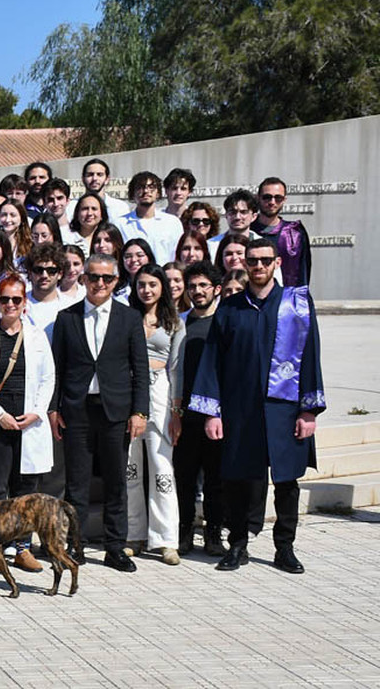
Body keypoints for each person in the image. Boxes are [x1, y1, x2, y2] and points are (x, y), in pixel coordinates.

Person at [191, 239, 324, 575]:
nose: (259, 266)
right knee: (237, 481)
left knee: (286, 482)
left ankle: (285, 548)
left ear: (277, 262)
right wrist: (211, 411)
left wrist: (309, 410)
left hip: (285, 410)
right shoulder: (231, 307)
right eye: (253, 260)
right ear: (245, 264)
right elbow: (212, 362)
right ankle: (237, 545)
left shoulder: (297, 305)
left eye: (265, 260)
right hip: (240, 411)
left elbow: (310, 357)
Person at [49, 254, 150, 572]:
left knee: (116, 483)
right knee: (76, 484)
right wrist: (53, 407)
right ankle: (75, 546)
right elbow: (57, 368)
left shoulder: (129, 318)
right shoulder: (66, 318)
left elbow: (141, 369)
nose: (100, 284)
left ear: (116, 281)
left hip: (116, 411)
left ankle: (115, 547)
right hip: (77, 411)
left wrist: (140, 411)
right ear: (84, 279)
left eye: (107, 278)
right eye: (94, 277)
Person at [0, 276, 56, 573]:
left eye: (16, 300)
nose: (10, 305)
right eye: (5, 299)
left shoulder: (37, 336)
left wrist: (37, 412)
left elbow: (47, 378)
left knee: (25, 490)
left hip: (27, 419)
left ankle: (22, 548)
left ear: (25, 304)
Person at [125, 264, 184, 564]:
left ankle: (165, 538)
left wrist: (176, 410)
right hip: (131, 390)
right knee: (130, 466)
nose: (146, 290)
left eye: (152, 284)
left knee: (162, 466)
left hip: (161, 390)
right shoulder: (127, 317)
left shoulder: (174, 321)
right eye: (141, 285)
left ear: (162, 286)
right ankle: (133, 533)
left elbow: (176, 367)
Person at [176, 262, 228, 556]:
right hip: (186, 416)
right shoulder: (181, 323)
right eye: (193, 286)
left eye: (203, 286)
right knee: (184, 477)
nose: (197, 291)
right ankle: (184, 533)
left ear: (216, 289)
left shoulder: (223, 322)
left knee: (215, 480)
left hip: (216, 416)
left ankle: (213, 535)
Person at [114, 171, 183, 267]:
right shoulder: (120, 224)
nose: (146, 191)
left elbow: (179, 255)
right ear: (133, 193)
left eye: (151, 187)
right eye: (140, 187)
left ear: (158, 193)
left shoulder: (172, 223)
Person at [254, 177, 311, 287]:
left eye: (278, 198)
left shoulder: (295, 233)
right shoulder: (247, 231)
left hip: (287, 299)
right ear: (258, 198)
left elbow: (303, 274)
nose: (272, 202)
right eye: (267, 197)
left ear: (284, 200)